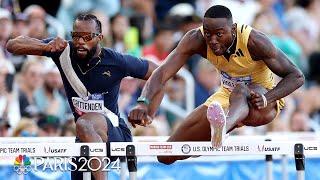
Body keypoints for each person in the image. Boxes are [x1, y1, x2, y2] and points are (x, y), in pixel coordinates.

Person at [128, 5, 304, 165]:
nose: (212, 40)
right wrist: (143, 101)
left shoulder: (254, 41)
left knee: (241, 90)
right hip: (226, 100)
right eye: (208, 33)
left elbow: (296, 76)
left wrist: (268, 97)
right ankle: (216, 133)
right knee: (167, 154)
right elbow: (162, 72)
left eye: (219, 34)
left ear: (233, 29)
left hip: (260, 102)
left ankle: (222, 129)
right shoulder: (196, 38)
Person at [7, 13, 162, 180]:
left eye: (87, 37)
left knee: (85, 122)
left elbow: (159, 73)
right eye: (76, 36)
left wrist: (146, 106)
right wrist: (44, 47)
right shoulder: (63, 51)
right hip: (85, 138)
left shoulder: (116, 61)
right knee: (84, 128)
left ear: (100, 37)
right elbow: (12, 45)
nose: (80, 42)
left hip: (115, 134)